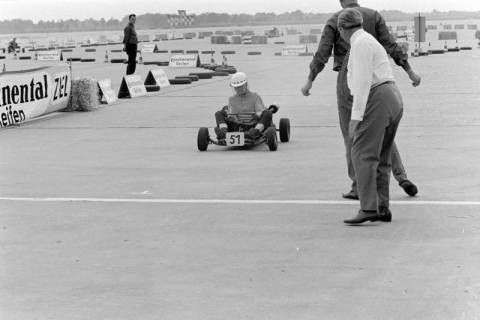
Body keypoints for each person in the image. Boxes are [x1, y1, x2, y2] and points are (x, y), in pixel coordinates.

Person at [301, 0, 421, 200]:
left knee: (352, 134)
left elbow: (322, 54)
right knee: (380, 130)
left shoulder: (335, 20)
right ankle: (401, 177)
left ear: (340, 1)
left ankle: (358, 186)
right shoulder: (374, 15)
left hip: (348, 79)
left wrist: (309, 81)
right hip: (377, 81)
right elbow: (391, 45)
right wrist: (410, 72)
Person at [336, 8, 413, 224]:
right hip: (392, 96)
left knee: (361, 154)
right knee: (382, 156)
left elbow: (362, 83)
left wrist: (355, 118)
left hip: (377, 97)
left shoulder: (359, 45)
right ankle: (382, 207)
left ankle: (368, 208)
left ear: (342, 29)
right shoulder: (368, 39)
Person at [214, 72, 272, 140]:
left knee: (267, 113)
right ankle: (223, 132)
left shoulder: (255, 96)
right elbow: (230, 114)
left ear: (246, 85)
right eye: (236, 87)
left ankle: (255, 132)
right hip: (236, 125)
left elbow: (260, 111)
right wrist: (231, 117)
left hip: (252, 124)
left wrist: (257, 115)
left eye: (240, 87)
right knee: (219, 113)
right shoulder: (232, 99)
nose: (238, 89)